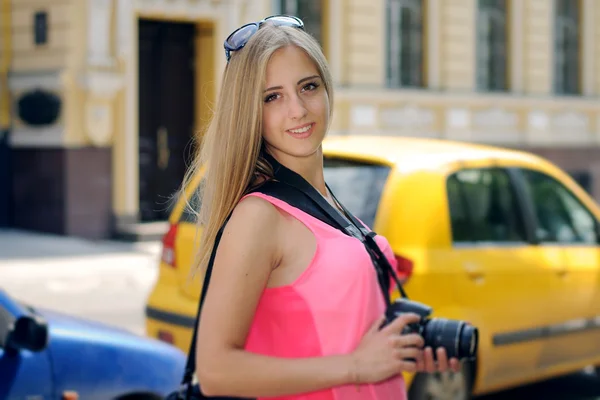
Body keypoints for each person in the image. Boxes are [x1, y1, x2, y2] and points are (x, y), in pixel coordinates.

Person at [184, 15, 461, 400]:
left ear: (327, 90)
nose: (297, 109)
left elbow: (345, 338)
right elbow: (216, 371)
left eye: (308, 87)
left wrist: (398, 353)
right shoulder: (260, 216)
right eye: (272, 97)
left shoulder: (330, 205)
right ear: (250, 112)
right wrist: (357, 367)